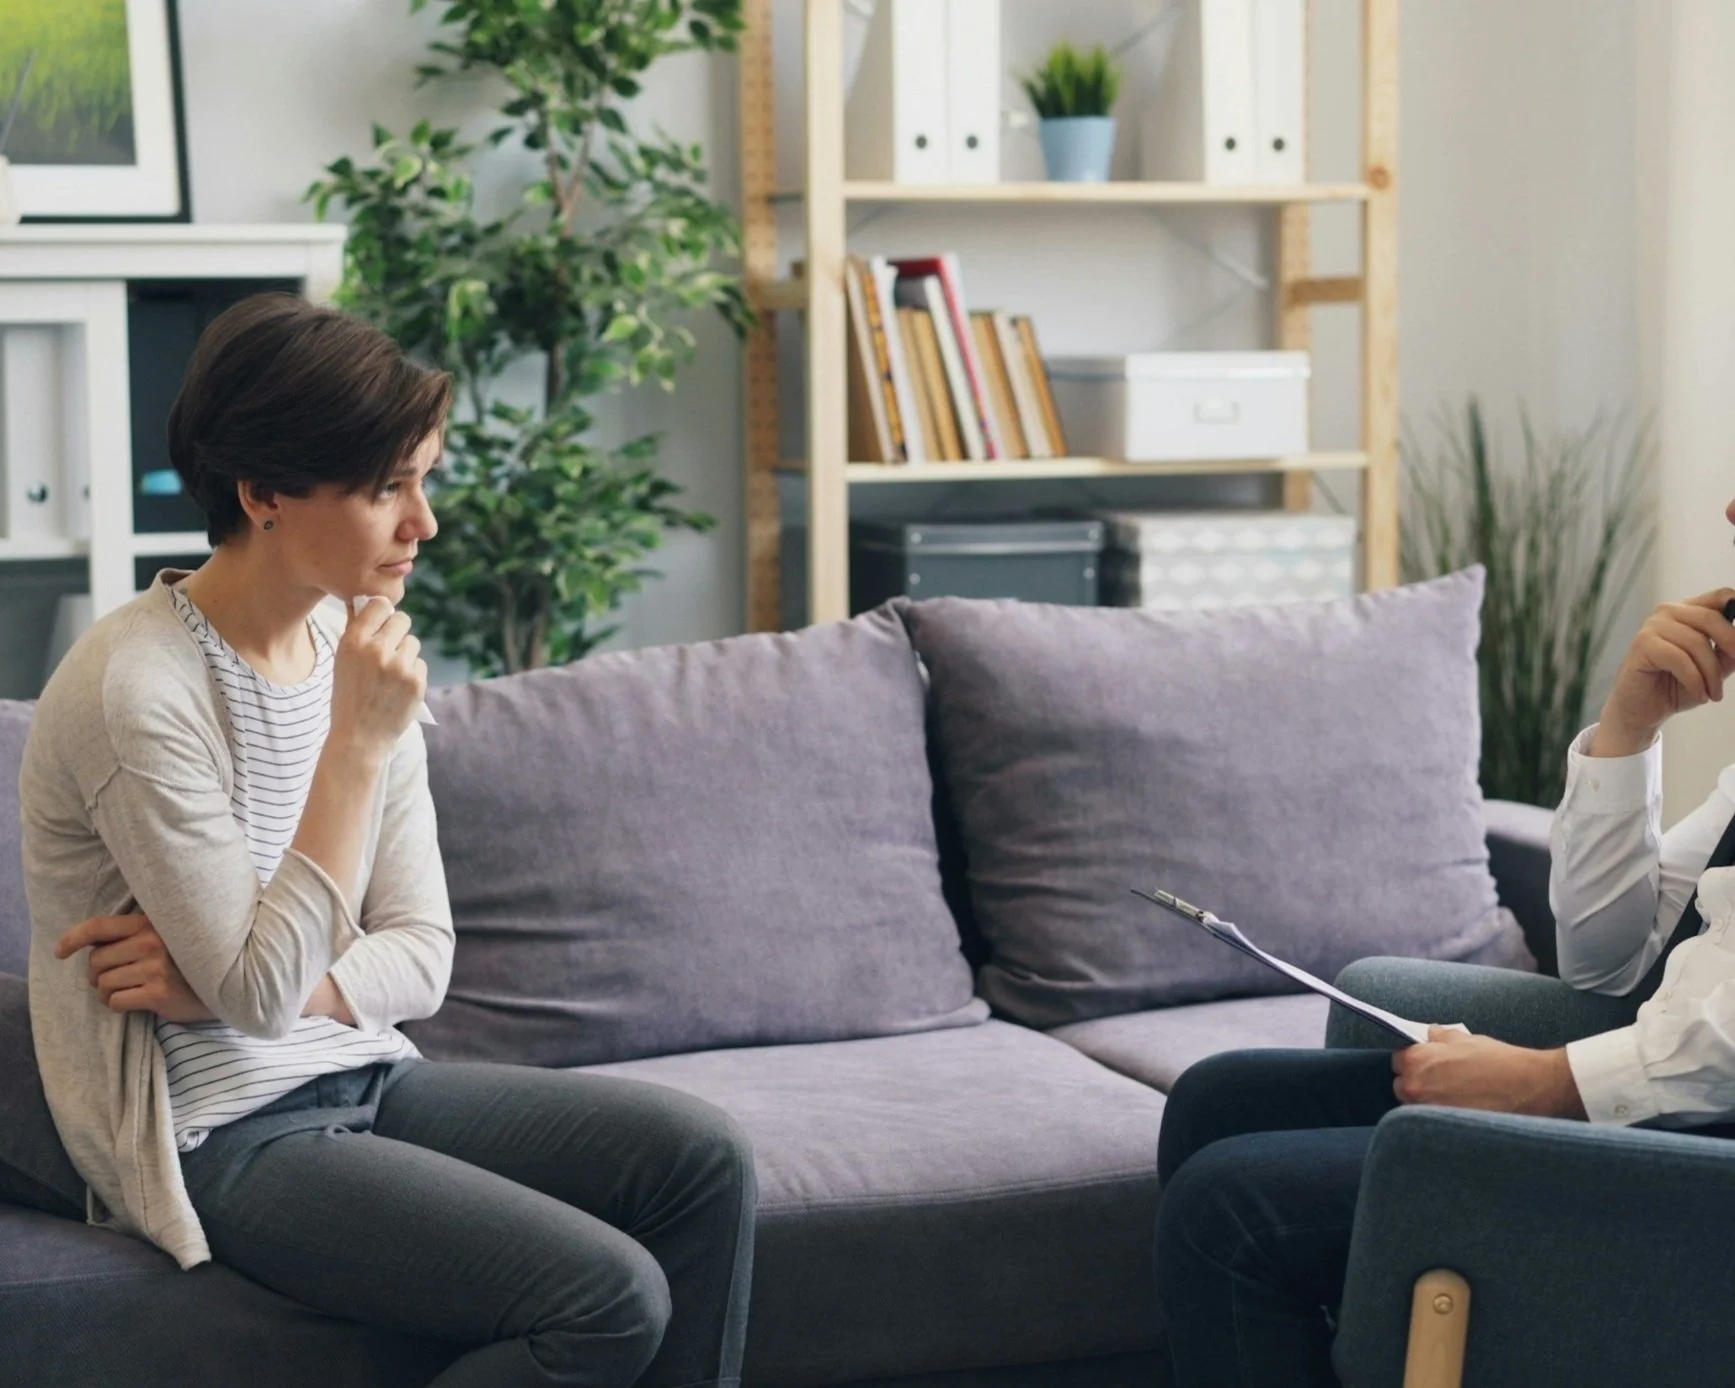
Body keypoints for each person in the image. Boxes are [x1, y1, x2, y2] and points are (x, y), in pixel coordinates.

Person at [19, 293, 756, 1388]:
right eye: (388, 488)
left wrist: (238, 983)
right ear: (264, 493)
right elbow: (256, 999)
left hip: (362, 1069)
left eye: (425, 479)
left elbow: (420, 953)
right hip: (223, 1131)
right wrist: (355, 748)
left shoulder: (351, 645)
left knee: (702, 1160)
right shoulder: (136, 687)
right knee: (607, 1296)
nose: (426, 523)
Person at [1153, 510, 1735, 1386]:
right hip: (1679, 1100)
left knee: (1232, 1210)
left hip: (1700, 1174)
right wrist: (1628, 726)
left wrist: (1543, 1084)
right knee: (1218, 1099)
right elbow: (1606, 960)